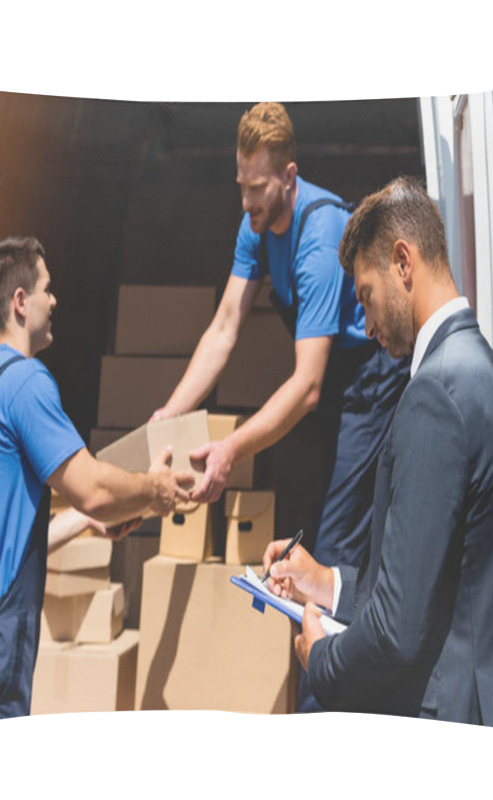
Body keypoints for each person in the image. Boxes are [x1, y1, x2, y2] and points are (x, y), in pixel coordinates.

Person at [262, 177, 493, 729]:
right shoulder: (489, 374)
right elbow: (441, 587)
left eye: (365, 295)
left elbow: (399, 631)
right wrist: (327, 583)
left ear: (402, 263)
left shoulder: (433, 393)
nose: (365, 322)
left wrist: (322, 659)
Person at [152, 99, 410, 617]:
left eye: (258, 186)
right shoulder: (254, 226)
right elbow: (225, 327)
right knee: (309, 506)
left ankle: (326, 684)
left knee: (336, 532)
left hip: (373, 381)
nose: (246, 199)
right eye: (241, 184)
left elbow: (307, 386)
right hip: (332, 376)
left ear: (289, 177)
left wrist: (228, 451)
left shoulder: (318, 242)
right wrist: (170, 413)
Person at [0, 236, 193, 730]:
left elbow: (0, 542)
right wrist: (154, 490)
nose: (55, 300)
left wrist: (88, 523)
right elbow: (91, 485)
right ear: (21, 302)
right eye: (47, 289)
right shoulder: (27, 382)